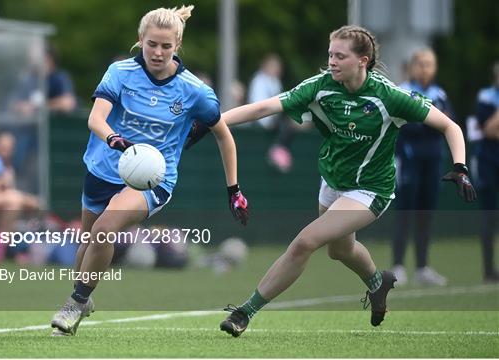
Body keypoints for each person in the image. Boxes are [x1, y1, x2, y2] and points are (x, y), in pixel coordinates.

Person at [187, 25, 476, 337]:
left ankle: (246, 311)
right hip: (333, 181)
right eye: (330, 55)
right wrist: (214, 121)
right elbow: (264, 107)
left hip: (371, 189)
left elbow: (450, 126)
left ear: (363, 60)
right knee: (339, 250)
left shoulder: (388, 96)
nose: (332, 61)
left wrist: (460, 166)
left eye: (340, 56)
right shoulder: (321, 87)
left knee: (304, 242)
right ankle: (378, 283)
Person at [50, 5, 249, 336]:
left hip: (153, 179)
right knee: (87, 242)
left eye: (166, 46)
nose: (158, 52)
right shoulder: (120, 73)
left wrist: (234, 189)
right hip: (103, 168)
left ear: (177, 46)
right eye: (152, 44)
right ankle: (83, 298)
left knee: (105, 229)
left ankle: (74, 303)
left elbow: (224, 136)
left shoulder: (194, 91)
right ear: (140, 40)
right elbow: (95, 118)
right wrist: (112, 137)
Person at [391, 48, 453, 286]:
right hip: (408, 160)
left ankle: (422, 268)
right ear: (412, 67)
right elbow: (408, 125)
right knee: (405, 212)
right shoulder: (403, 91)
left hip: (433, 161)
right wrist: (430, 121)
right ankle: (398, 265)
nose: (426, 68)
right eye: (421, 64)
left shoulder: (439, 93)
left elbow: (448, 122)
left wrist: (427, 121)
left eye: (430, 64)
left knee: (426, 214)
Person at [0, 130, 39, 262]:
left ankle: (0, 251)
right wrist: (0, 182)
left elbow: (8, 191)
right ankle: (6, 250)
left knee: (15, 204)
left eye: (10, 148)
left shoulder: (7, 167)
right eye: (3, 147)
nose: (6, 151)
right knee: (15, 200)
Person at [474, 61, 499, 282]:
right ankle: (489, 270)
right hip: (489, 162)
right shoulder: (486, 97)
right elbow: (489, 130)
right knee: (489, 216)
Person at [248, 54, 295, 173]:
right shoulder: (259, 80)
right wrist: (266, 119)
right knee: (286, 125)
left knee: (290, 123)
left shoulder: (274, 81)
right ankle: (277, 151)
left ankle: (279, 150)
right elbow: (257, 101)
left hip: (272, 117)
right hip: (260, 117)